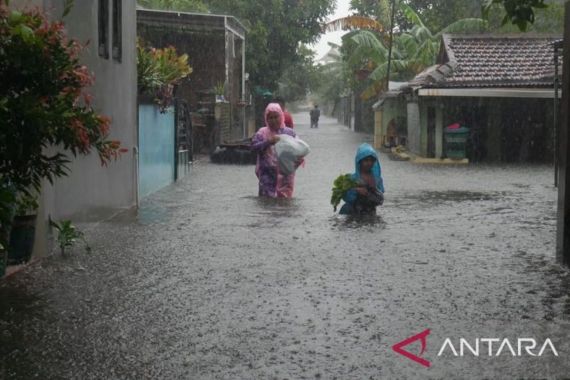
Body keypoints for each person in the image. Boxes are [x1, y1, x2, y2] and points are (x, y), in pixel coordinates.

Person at [251, 103, 302, 198]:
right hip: (267, 176)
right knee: (266, 203)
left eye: (276, 117)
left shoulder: (290, 133)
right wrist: (268, 142)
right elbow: (254, 147)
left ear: (281, 116)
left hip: (285, 177)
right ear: (266, 119)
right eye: (270, 118)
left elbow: (300, 150)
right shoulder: (262, 133)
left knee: (285, 204)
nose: (273, 120)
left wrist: (297, 161)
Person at [339, 143, 385, 215]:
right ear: (359, 162)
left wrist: (368, 193)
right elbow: (347, 198)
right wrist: (356, 190)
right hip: (351, 212)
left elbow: (380, 200)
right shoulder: (351, 179)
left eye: (371, 160)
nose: (369, 163)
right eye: (366, 160)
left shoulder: (377, 180)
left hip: (369, 212)